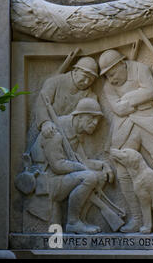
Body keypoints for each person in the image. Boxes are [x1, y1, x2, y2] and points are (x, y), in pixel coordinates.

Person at [100, 49, 153, 233]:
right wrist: (136, 98)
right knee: (123, 171)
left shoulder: (140, 69)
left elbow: (150, 92)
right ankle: (137, 219)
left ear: (121, 64)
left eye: (112, 73)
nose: (111, 79)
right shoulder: (108, 87)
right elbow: (118, 110)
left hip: (149, 118)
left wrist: (127, 98)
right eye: (107, 76)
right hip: (125, 125)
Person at [29, 98, 114, 234]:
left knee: (99, 176)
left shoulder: (74, 134)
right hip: (45, 182)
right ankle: (73, 222)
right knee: (89, 177)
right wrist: (83, 169)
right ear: (79, 116)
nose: (95, 123)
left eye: (97, 120)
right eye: (91, 118)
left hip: (57, 180)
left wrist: (103, 165)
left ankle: (81, 219)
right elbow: (58, 166)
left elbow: (82, 161)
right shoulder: (55, 133)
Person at [35, 56, 99, 134]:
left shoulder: (91, 97)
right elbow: (41, 104)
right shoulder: (55, 82)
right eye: (85, 76)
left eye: (91, 80)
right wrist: (45, 122)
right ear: (75, 71)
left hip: (68, 136)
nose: (86, 82)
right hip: (46, 130)